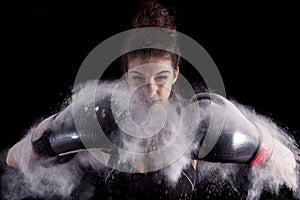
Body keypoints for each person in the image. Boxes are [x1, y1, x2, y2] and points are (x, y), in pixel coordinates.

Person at [5, 1, 297, 200]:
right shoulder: (103, 120)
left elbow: (282, 159)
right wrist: (40, 144)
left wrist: (266, 151)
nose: (151, 90)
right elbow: (15, 158)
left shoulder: (196, 125)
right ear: (126, 77)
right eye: (139, 79)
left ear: (175, 75)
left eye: (161, 78)